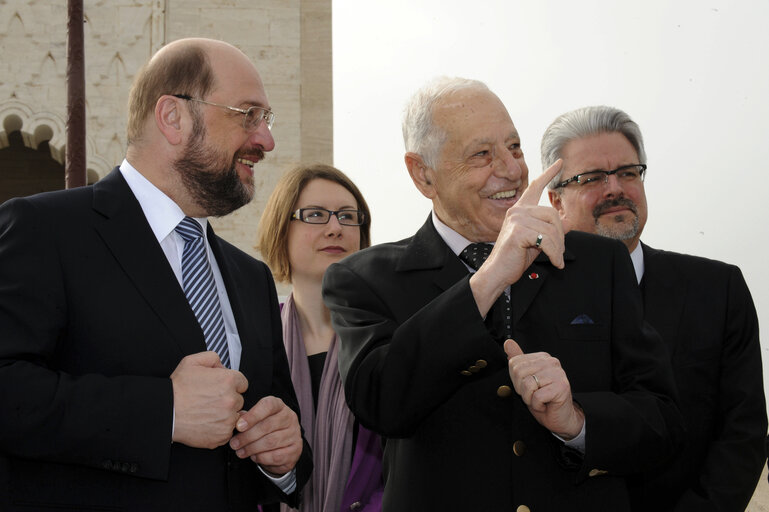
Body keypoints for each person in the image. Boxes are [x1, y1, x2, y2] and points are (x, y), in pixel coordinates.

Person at [321, 76, 684, 511]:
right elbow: (381, 402)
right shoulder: (364, 279)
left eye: (514, 148)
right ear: (423, 174)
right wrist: (489, 277)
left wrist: (578, 423)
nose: (512, 170)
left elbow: (663, 423)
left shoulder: (598, 263)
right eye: (482, 155)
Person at [0, 38, 312, 511]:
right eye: (247, 114)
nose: (265, 140)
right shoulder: (44, 230)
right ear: (173, 117)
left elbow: (272, 434)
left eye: (266, 120)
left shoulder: (251, 278)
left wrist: (283, 456)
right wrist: (164, 412)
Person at [543, 105, 767, 511]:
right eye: (592, 177)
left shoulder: (718, 290)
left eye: (628, 172)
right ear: (556, 201)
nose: (615, 188)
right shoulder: (525, 298)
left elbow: (743, 431)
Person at [257, 164, 384, 512]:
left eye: (347, 216)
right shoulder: (252, 342)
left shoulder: (386, 336)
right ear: (281, 228)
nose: (335, 228)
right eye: (315, 215)